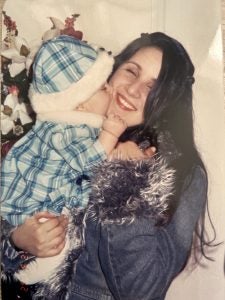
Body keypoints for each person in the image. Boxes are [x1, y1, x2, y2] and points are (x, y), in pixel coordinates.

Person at [1, 32, 215, 300]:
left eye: (152, 87)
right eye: (131, 71)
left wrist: (123, 177)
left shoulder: (181, 173)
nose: (133, 90)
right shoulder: (67, 135)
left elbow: (142, 292)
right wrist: (18, 241)